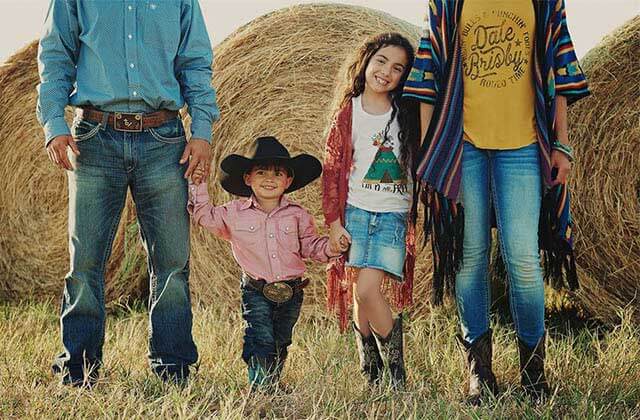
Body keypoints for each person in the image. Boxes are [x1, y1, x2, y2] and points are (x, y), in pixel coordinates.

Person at [403, 0, 589, 403]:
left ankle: (533, 373)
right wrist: (430, 154)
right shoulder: (448, 3)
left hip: (523, 145)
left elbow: (558, 65)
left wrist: (562, 144)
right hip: (464, 146)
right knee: (471, 255)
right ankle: (479, 372)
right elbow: (428, 73)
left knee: (522, 257)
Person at [36, 0, 219, 386]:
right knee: (84, 263)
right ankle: (78, 370)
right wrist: (54, 122)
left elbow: (196, 62)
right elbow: (55, 56)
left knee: (172, 263)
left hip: (164, 137)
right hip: (94, 139)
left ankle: (173, 370)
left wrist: (202, 129)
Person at [189, 136, 344, 391]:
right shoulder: (233, 213)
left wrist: (332, 247)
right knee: (258, 337)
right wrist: (198, 186)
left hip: (292, 292)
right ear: (248, 178)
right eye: (261, 172)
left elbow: (310, 246)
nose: (269, 179)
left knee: (281, 341)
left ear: (289, 181)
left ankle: (271, 381)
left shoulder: (298, 215)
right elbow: (204, 215)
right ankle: (261, 388)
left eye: (278, 173)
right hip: (255, 291)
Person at [322, 33, 420, 390]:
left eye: (397, 68)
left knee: (367, 290)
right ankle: (373, 370)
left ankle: (396, 371)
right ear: (365, 60)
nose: (386, 72)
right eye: (381, 61)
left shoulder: (407, 112)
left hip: (392, 215)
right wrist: (333, 222)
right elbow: (332, 171)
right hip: (355, 212)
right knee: (358, 291)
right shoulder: (348, 113)